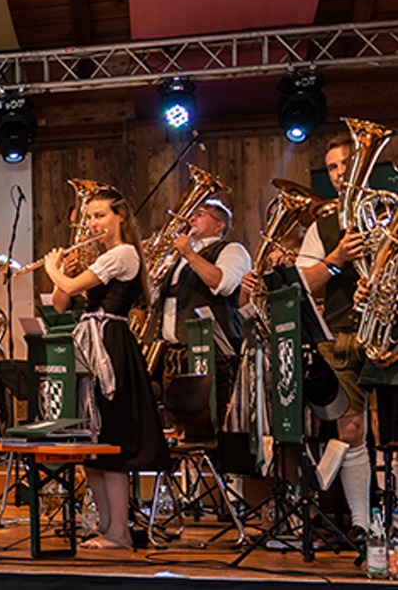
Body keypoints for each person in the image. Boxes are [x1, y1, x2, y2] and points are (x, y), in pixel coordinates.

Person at [45, 186, 169, 550]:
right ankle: (106, 526)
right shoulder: (101, 259)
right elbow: (61, 302)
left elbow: (69, 285)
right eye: (89, 218)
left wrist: (54, 270)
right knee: (92, 442)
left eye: (100, 216)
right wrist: (61, 273)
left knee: (111, 438)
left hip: (110, 346)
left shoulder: (124, 253)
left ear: (120, 217)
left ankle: (120, 531)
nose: (93, 224)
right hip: (90, 345)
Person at [297, 135, 371, 541]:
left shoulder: (389, 212)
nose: (340, 173)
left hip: (388, 334)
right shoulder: (322, 226)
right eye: (332, 167)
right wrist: (337, 259)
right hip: (343, 333)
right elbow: (304, 283)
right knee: (351, 428)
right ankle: (362, 523)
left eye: (346, 163)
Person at [149, 199, 250, 420]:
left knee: (210, 418)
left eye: (201, 214)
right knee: (174, 421)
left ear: (219, 225)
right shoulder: (176, 258)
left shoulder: (232, 250)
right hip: (172, 353)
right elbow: (153, 298)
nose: (191, 219)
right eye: (192, 214)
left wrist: (190, 255)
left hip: (211, 351)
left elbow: (223, 284)